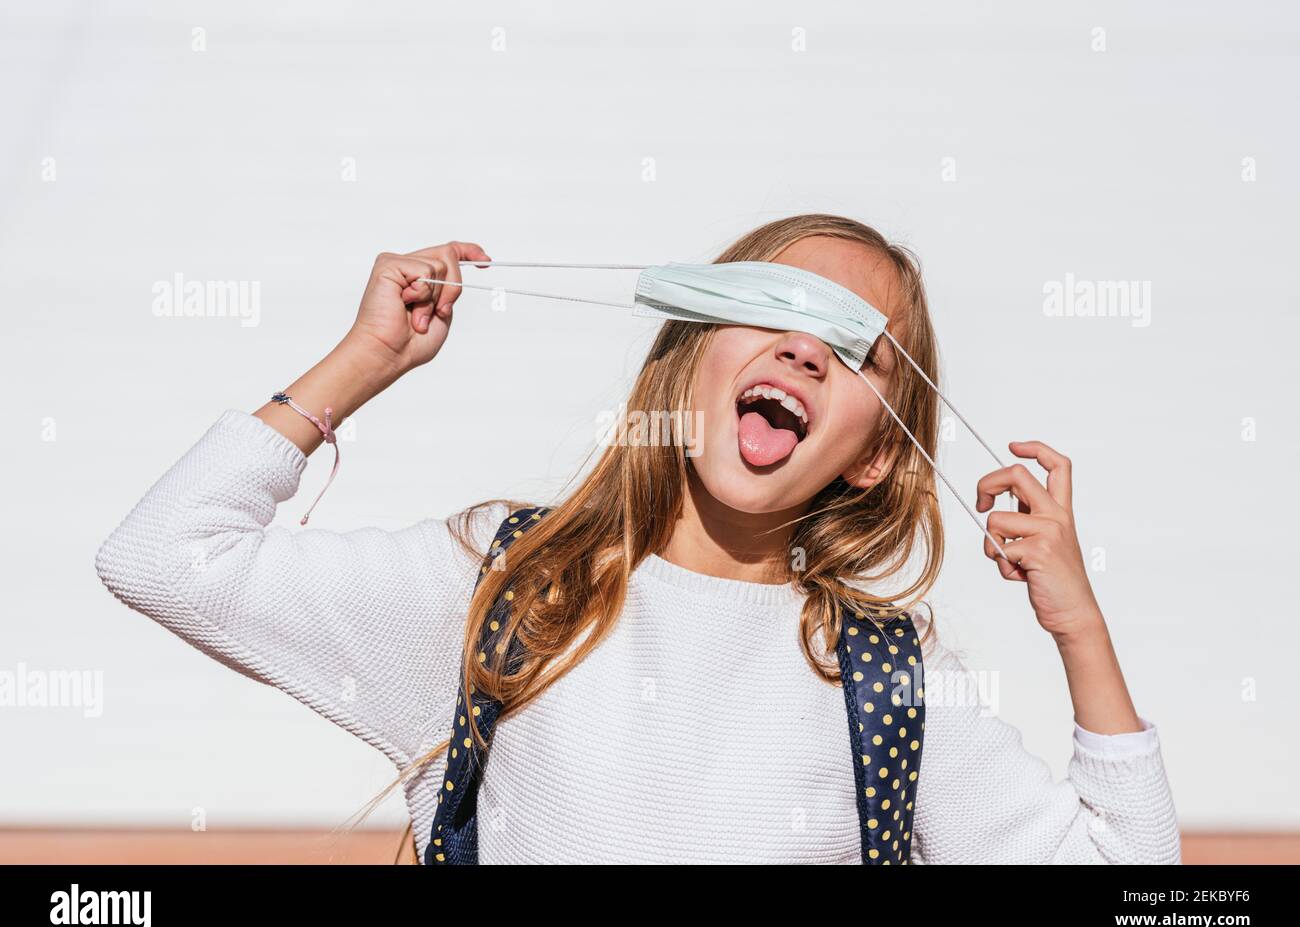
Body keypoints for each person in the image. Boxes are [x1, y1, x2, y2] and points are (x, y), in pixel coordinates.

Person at [94, 213, 1180, 864]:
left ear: (874, 453)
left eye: (853, 350)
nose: (804, 352)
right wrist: (359, 366)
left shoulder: (883, 677)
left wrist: (1077, 624)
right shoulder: (505, 583)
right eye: (774, 309)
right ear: (689, 352)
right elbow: (163, 557)